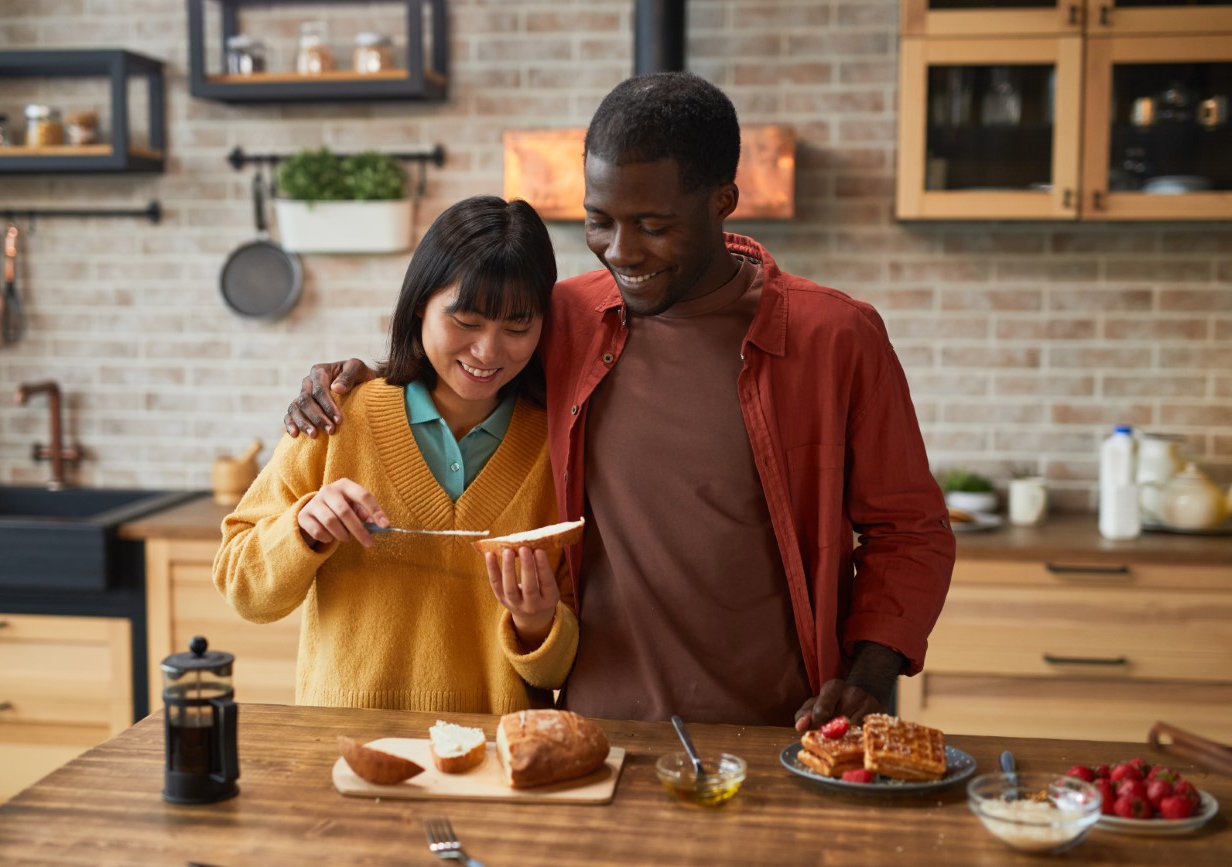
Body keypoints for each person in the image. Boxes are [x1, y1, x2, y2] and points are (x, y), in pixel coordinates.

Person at [282, 73, 955, 730]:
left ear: (723, 201)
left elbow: (911, 531)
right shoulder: (569, 315)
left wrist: (870, 672)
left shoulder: (835, 336)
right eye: (598, 221)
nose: (622, 251)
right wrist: (364, 374)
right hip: (594, 727)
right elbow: (475, 357)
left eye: (653, 225)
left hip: (781, 725)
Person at [214, 195, 578, 715]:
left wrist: (538, 622)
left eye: (518, 328)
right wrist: (303, 529)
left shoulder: (558, 448)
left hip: (495, 765)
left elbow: (558, 671)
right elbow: (242, 589)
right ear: (418, 306)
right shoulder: (338, 418)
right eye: (467, 321)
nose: (489, 352)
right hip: (344, 750)